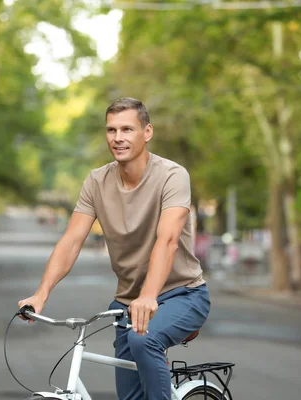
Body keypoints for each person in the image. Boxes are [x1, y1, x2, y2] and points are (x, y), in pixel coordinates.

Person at [18, 97, 210, 400]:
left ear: (147, 132)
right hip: (126, 304)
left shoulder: (172, 176)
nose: (118, 138)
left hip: (182, 294)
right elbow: (71, 241)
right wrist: (41, 294)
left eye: (127, 129)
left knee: (143, 341)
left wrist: (148, 296)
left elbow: (168, 240)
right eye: (111, 130)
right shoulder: (96, 181)